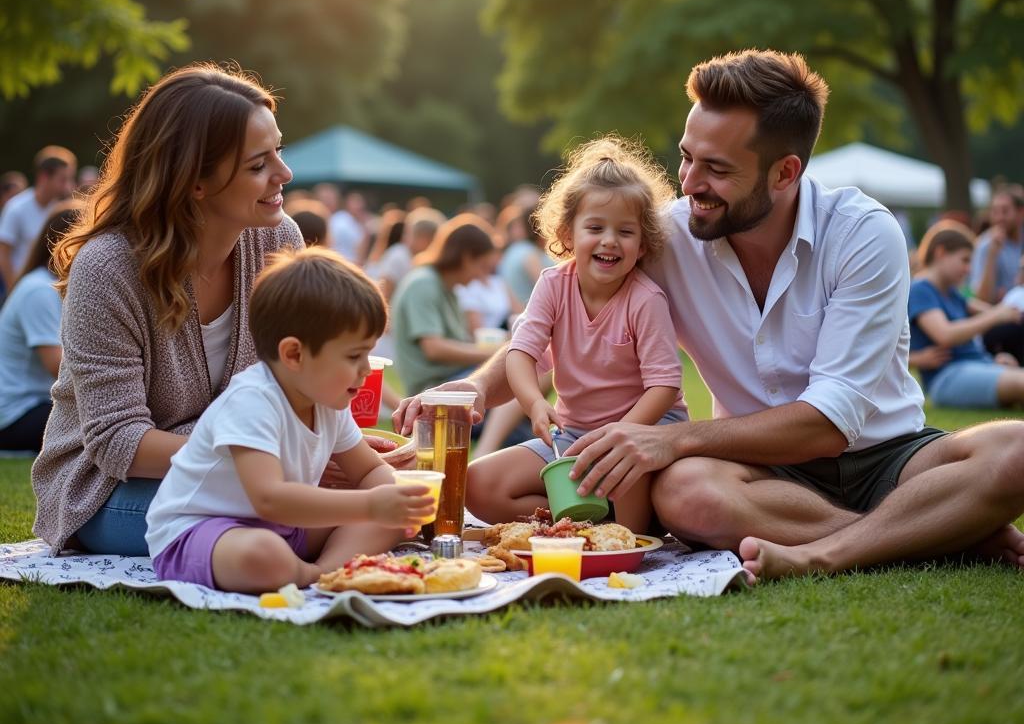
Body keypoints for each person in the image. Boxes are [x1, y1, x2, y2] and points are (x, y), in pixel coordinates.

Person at [397, 49, 1024, 582]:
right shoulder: (670, 236)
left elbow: (831, 423)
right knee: (685, 492)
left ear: (785, 173)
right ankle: (931, 532)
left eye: (717, 169)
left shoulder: (863, 233)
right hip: (754, 475)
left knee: (1015, 449)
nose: (689, 181)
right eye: (686, 156)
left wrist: (669, 437)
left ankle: (832, 552)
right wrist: (477, 387)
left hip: (888, 456)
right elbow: (557, 316)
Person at [31, 63, 305, 556]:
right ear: (195, 181)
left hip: (247, 468)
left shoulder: (278, 242)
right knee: (291, 515)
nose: (284, 175)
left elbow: (296, 384)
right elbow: (118, 441)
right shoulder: (110, 268)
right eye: (258, 165)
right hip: (107, 487)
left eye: (278, 152)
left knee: (365, 496)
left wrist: (330, 450)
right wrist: (270, 464)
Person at [145, 248, 433, 591]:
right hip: (203, 531)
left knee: (387, 521)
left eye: (368, 353)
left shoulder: (329, 402)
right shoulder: (252, 401)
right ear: (294, 354)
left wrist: (397, 499)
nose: (366, 369)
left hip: (284, 529)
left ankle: (326, 571)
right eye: (354, 355)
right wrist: (371, 504)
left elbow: (368, 470)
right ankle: (305, 572)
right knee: (263, 555)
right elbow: (270, 498)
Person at [466, 137, 683, 533]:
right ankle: (578, 526)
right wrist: (533, 404)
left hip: (641, 432)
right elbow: (521, 354)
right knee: (477, 485)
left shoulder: (646, 300)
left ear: (643, 242)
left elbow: (664, 385)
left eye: (626, 231)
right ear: (567, 234)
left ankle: (627, 534)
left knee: (625, 482)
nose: (609, 240)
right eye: (595, 227)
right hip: (572, 436)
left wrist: (621, 435)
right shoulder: (552, 284)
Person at [908, 223, 1024, 408]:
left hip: (976, 367)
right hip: (947, 378)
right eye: (965, 260)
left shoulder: (951, 293)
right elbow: (945, 334)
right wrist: (996, 316)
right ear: (941, 253)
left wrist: (993, 362)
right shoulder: (920, 290)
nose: (968, 269)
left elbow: (993, 311)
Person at [390, 215, 503, 396]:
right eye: (482, 267)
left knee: (528, 372)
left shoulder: (448, 288)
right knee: (513, 373)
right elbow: (434, 348)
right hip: (433, 386)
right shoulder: (424, 283)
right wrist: (495, 355)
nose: (482, 277)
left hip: (452, 377)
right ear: (467, 258)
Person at [0, 203, 78, 451]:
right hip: (15, 414)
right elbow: (57, 366)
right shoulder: (38, 291)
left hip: (35, 404)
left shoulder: (52, 287)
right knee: (103, 420)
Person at [0, 145, 76, 289]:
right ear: (44, 177)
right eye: (63, 179)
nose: (68, 186)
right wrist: (14, 289)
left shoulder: (61, 210)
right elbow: (3, 254)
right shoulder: (16, 208)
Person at [970, 188, 1023, 305]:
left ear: (1021, 213)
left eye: (1005, 211)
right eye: (994, 212)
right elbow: (981, 299)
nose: (999, 218)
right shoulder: (985, 245)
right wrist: (992, 255)